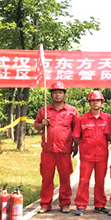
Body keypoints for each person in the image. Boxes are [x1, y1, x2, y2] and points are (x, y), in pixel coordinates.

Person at [34, 81, 78, 213]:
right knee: (47, 178)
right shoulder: (44, 111)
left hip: (64, 150)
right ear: (51, 95)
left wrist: (75, 146)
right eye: (55, 92)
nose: (58, 95)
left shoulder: (71, 111)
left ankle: (65, 203)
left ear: (64, 94)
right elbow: (36, 126)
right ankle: (45, 204)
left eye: (60, 92)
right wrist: (42, 124)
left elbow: (76, 130)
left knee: (65, 178)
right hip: (48, 150)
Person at [72, 90, 110, 216]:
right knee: (84, 180)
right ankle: (81, 205)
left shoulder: (107, 119)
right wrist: (84, 146)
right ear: (89, 102)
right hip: (86, 156)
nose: (95, 103)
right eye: (93, 101)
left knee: (100, 181)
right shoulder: (82, 119)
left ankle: (100, 205)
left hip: (102, 155)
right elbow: (76, 136)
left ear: (102, 102)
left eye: (98, 101)